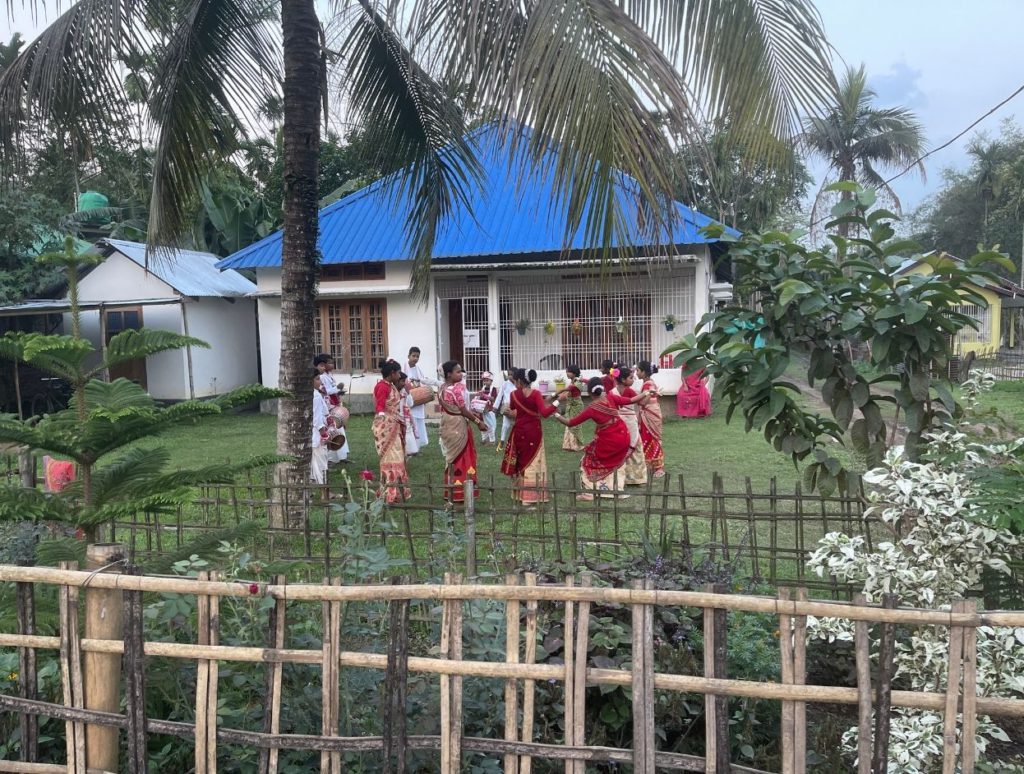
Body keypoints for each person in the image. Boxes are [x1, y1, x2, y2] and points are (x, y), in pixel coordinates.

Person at [553, 377, 650, 500]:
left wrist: (555, 414)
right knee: (616, 463)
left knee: (588, 461)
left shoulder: (592, 408)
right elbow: (631, 400)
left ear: (589, 392)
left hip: (609, 439)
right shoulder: (611, 397)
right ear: (602, 389)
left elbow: (571, 423)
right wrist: (647, 393)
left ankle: (591, 491)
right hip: (623, 435)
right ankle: (617, 488)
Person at [500, 368, 560, 506]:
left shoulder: (514, 394)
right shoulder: (536, 394)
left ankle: (519, 494)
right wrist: (557, 402)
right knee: (533, 462)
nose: (514, 383)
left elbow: (515, 410)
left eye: (515, 380)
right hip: (534, 432)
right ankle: (531, 496)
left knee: (521, 460)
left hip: (519, 432)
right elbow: (544, 413)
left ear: (520, 380)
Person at [437, 360, 487, 503]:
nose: (461, 374)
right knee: (463, 456)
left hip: (447, 424)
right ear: (448, 374)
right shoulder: (454, 389)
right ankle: (462, 493)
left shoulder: (441, 388)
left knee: (451, 458)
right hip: (458, 425)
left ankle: (451, 492)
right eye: (458, 372)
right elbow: (464, 411)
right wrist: (478, 422)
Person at [372, 360, 411, 503]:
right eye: (398, 373)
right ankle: (391, 492)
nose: (400, 375)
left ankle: (397, 491)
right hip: (386, 427)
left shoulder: (391, 386)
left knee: (398, 457)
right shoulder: (382, 386)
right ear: (393, 373)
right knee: (391, 458)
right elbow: (380, 405)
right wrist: (384, 417)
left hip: (393, 424)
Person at [612, 366, 648, 486]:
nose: (633, 380)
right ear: (623, 379)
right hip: (630, 422)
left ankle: (621, 475)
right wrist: (650, 394)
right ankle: (636, 478)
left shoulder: (612, 392)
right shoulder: (630, 391)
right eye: (631, 378)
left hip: (618, 423)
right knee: (636, 447)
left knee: (620, 447)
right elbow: (642, 403)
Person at [315, 354, 349, 463]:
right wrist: (337, 388)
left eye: (332, 363)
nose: (331, 365)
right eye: (329, 363)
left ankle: (341, 456)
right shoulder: (322, 377)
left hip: (333, 403)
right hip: (328, 406)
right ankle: (331, 458)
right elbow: (326, 391)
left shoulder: (329, 375)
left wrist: (337, 391)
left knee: (338, 429)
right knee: (331, 430)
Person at [406, 346, 442, 447]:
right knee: (410, 423)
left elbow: (423, 380)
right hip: (408, 399)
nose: (415, 358)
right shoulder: (404, 368)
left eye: (417, 356)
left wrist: (438, 383)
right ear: (408, 356)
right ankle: (410, 447)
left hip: (418, 400)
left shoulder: (418, 369)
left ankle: (417, 446)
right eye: (413, 356)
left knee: (418, 423)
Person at [635, 361, 665, 477]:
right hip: (649, 413)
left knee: (651, 439)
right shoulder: (648, 383)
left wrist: (636, 399)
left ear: (644, 372)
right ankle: (652, 466)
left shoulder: (648, 384)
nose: (636, 373)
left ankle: (658, 468)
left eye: (638, 370)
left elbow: (643, 402)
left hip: (649, 414)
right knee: (648, 440)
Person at [558, 364, 586, 451]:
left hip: (577, 406)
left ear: (574, 373)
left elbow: (571, 389)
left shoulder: (577, 382)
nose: (567, 373)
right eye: (566, 371)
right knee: (569, 423)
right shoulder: (572, 381)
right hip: (570, 406)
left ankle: (576, 445)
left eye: (568, 372)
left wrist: (561, 391)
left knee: (575, 424)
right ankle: (568, 445)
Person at [311, 372, 330, 485]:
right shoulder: (316, 395)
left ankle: (312, 487)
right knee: (321, 462)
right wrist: (323, 433)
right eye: (317, 379)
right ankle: (325, 492)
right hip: (317, 433)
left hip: (309, 434)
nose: (320, 382)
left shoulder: (312, 394)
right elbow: (317, 419)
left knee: (312, 463)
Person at [493, 367, 517, 452]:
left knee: (516, 425)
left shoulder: (518, 384)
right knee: (505, 425)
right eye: (509, 374)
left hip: (516, 408)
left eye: (512, 375)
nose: (510, 376)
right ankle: (502, 441)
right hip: (506, 407)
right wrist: (495, 407)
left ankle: (515, 442)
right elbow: (500, 395)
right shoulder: (505, 384)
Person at [474, 371, 498, 444]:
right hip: (482, 410)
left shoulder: (493, 389)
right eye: (484, 380)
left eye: (487, 380)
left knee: (491, 425)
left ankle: (492, 440)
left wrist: (485, 396)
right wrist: (478, 394)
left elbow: (493, 399)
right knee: (482, 424)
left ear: (491, 380)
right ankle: (484, 439)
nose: (485, 382)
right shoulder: (482, 388)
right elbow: (478, 398)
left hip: (490, 410)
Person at [400, 377, 420, 457]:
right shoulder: (395, 391)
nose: (405, 384)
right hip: (398, 416)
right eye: (403, 381)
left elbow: (410, 404)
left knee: (408, 431)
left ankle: (408, 451)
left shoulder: (405, 392)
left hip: (406, 416)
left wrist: (408, 393)